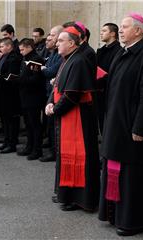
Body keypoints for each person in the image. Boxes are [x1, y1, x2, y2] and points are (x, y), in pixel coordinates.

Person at [99, 13, 143, 236]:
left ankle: (134, 220)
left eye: (125, 27)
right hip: (115, 124)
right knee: (116, 170)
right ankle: (116, 214)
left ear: (138, 30)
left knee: (133, 175)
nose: (121, 30)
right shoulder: (121, 53)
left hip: (131, 128)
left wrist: (140, 128)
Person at [45, 26, 100, 212]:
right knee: (66, 156)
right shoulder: (66, 60)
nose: (57, 43)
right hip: (67, 115)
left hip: (78, 118)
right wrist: (50, 103)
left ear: (71, 43)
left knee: (80, 157)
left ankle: (80, 199)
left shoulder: (79, 61)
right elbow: (57, 88)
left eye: (61, 40)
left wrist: (55, 110)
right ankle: (67, 195)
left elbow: (72, 94)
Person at [16, 38, 46, 160]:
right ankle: (29, 146)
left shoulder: (36, 59)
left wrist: (19, 80)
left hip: (34, 96)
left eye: (22, 49)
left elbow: (37, 79)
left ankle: (37, 149)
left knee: (35, 124)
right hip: (25, 95)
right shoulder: (25, 58)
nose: (21, 52)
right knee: (28, 124)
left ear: (29, 47)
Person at [0, 37, 22, 154]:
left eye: (2, 46)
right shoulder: (4, 57)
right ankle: (6, 141)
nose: (0, 49)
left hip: (10, 94)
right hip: (1, 92)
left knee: (11, 120)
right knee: (4, 119)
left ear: (9, 46)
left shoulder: (14, 58)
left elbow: (10, 76)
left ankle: (12, 143)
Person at [39, 25, 63, 162]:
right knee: (49, 125)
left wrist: (44, 69)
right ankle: (53, 151)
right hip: (49, 91)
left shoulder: (59, 54)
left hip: (56, 93)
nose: (50, 37)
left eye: (53, 35)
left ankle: (55, 152)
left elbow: (50, 71)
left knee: (54, 126)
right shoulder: (53, 52)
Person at [96, 23, 122, 134]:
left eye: (104, 31)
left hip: (109, 92)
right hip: (98, 90)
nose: (101, 33)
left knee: (110, 126)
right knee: (102, 122)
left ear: (112, 34)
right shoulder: (101, 50)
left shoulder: (118, 51)